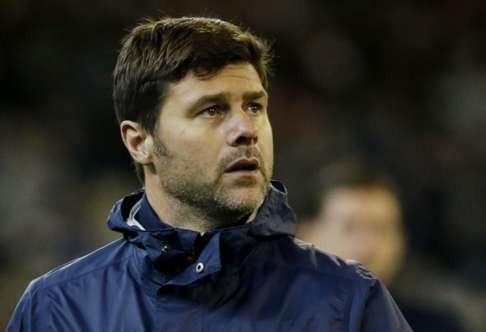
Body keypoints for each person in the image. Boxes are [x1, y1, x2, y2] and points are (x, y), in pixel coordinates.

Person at [7, 17, 411, 331]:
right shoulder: (58, 309)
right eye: (212, 110)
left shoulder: (350, 301)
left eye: (254, 106)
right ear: (139, 142)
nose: (245, 129)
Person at [299, 161, 465, 332]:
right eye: (349, 228)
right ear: (306, 236)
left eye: (381, 229)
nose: (367, 247)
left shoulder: (438, 327)